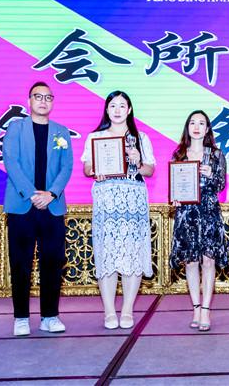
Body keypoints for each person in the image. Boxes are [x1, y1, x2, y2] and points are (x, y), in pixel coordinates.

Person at [2, 81, 73, 336]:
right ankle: (21, 317)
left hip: (52, 206)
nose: (43, 101)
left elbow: (67, 167)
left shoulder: (61, 132)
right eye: (38, 96)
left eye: (48, 97)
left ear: (53, 102)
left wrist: (51, 194)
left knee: (53, 262)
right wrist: (32, 194)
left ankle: (50, 316)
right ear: (29, 101)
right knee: (20, 263)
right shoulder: (16, 128)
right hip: (22, 205)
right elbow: (11, 162)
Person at [81, 91, 154, 330]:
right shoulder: (96, 137)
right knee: (107, 254)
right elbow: (87, 168)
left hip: (133, 201)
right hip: (106, 201)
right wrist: (95, 170)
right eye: (113, 105)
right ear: (107, 109)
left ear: (129, 110)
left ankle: (128, 310)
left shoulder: (140, 138)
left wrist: (138, 161)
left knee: (132, 254)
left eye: (122, 105)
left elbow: (149, 170)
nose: (118, 110)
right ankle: (109, 311)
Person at [169, 110, 228, 332]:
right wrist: (175, 198)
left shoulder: (216, 155)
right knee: (191, 262)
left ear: (207, 129)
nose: (196, 127)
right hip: (186, 213)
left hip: (209, 212)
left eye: (201, 123)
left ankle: (206, 310)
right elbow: (175, 184)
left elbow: (221, 185)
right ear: (187, 127)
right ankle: (195, 308)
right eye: (192, 123)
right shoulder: (179, 154)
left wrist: (211, 173)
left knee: (208, 261)